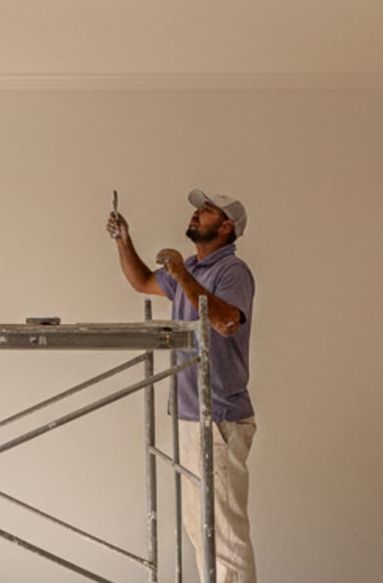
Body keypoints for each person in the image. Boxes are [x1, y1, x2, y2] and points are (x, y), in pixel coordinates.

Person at [108, 189, 257, 583]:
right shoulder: (193, 270)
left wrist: (181, 273)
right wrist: (125, 240)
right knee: (202, 534)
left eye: (205, 211)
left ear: (226, 227)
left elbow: (225, 321)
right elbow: (141, 281)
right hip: (192, 416)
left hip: (219, 417)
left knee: (226, 541)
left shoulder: (231, 272)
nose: (196, 214)